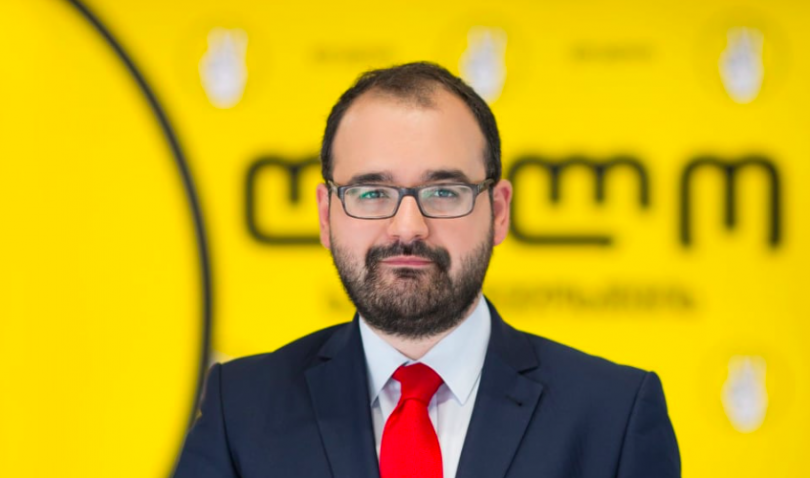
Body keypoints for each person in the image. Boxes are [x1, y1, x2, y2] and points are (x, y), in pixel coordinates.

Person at [174, 62, 680, 478]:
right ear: (326, 215)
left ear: (499, 211)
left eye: (443, 192)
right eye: (371, 193)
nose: (408, 227)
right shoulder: (239, 410)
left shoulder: (614, 415)